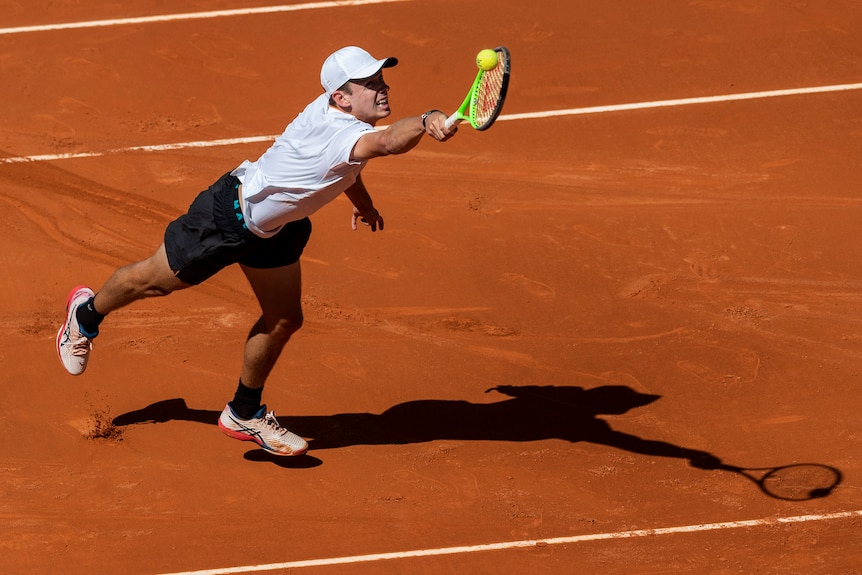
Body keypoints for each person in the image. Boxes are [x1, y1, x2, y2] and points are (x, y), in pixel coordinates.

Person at [56, 46, 457, 457]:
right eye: (370, 83)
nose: (383, 88)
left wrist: (362, 201)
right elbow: (387, 142)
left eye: (381, 79)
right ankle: (85, 316)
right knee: (151, 282)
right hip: (227, 218)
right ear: (340, 97)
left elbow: (346, 165)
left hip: (278, 228)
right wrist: (427, 121)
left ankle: (243, 412)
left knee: (284, 318)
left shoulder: (341, 117)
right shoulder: (342, 132)